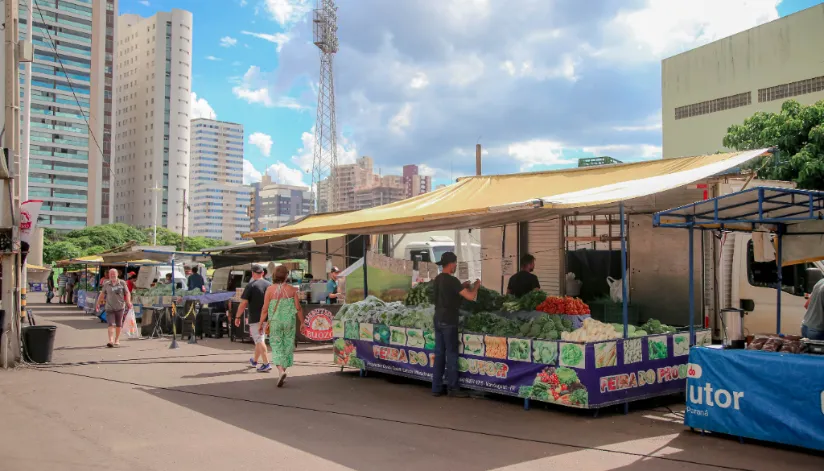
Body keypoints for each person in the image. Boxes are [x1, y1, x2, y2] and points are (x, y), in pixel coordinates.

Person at [432, 252, 480, 398]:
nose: (455, 267)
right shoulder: (452, 280)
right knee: (452, 354)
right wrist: (476, 286)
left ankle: (436, 388)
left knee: (439, 353)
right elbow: (471, 297)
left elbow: (449, 293)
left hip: (438, 318)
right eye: (455, 264)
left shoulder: (438, 279)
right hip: (449, 320)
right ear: (452, 264)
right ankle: (453, 388)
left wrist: (462, 286)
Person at [259, 265, 304, 386]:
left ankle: (280, 370)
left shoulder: (269, 289)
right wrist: (302, 322)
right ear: (286, 276)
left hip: (275, 322)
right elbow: (298, 308)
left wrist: (261, 323)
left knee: (276, 345)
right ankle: (283, 371)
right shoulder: (292, 290)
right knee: (288, 345)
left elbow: (265, 308)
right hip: (289, 322)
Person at [235, 265, 272, 371]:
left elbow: (243, 304)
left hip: (256, 318)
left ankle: (266, 363)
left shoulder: (251, 286)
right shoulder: (269, 285)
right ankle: (255, 360)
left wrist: (237, 317)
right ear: (263, 273)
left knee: (259, 339)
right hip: (267, 317)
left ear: (252, 273)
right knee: (260, 339)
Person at [97, 268, 132, 348]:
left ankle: (117, 339)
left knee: (119, 324)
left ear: (117, 274)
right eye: (111, 274)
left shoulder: (122, 283)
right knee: (111, 324)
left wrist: (128, 302)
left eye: (114, 273)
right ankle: (111, 340)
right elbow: (102, 294)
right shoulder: (106, 284)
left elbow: (127, 293)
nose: (112, 275)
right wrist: (98, 303)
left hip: (120, 307)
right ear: (109, 275)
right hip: (109, 307)